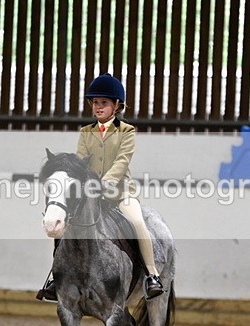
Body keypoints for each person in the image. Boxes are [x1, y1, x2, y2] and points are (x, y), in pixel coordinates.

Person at [38, 73, 164, 302]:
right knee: (64, 221)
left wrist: (104, 183)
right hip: (91, 195)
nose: (98, 107)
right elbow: (80, 163)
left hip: (120, 193)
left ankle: (151, 275)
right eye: (95, 103)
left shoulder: (126, 131)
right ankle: (56, 277)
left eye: (104, 103)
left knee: (137, 222)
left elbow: (122, 161)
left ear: (117, 106)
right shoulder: (86, 133)